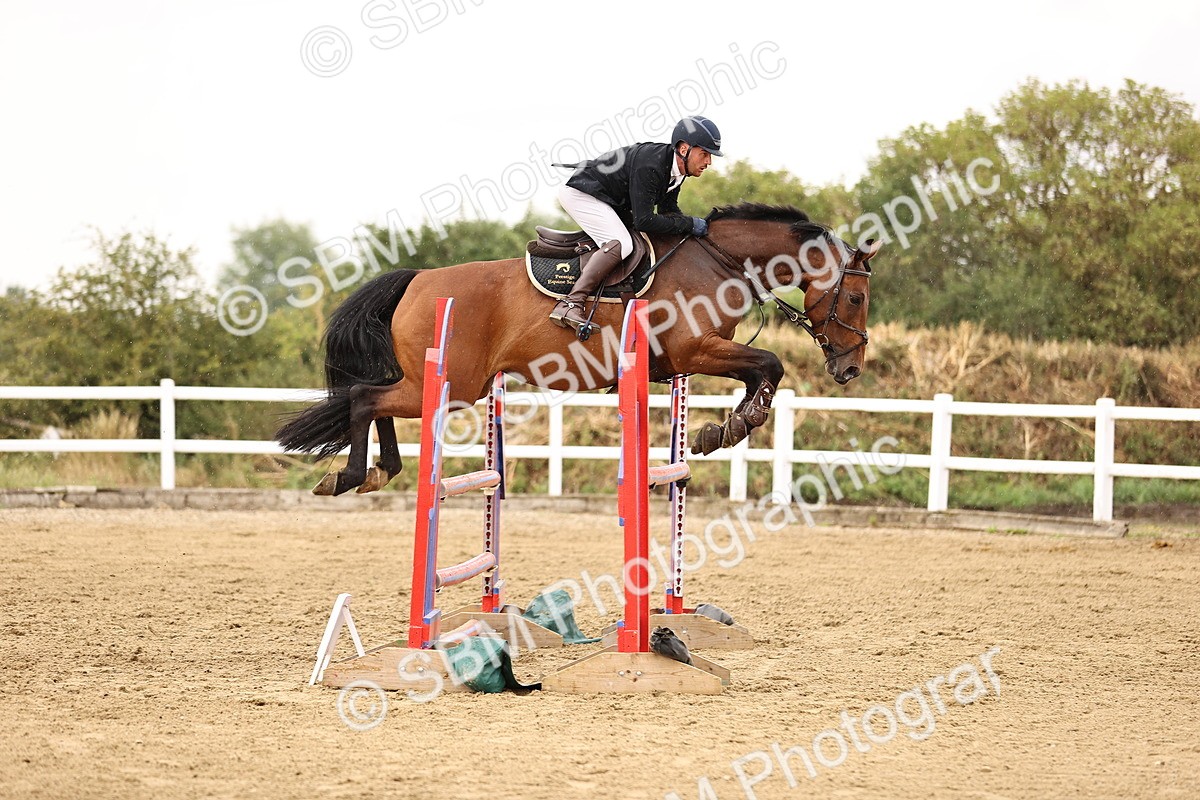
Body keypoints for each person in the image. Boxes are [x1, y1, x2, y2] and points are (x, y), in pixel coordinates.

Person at [549, 115, 723, 330]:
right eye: (704, 154)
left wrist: (696, 230)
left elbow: (668, 211)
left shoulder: (678, 171)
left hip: (609, 200)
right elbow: (644, 221)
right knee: (622, 243)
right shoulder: (651, 165)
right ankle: (570, 303)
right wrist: (690, 224)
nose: (708, 162)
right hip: (581, 194)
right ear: (684, 149)